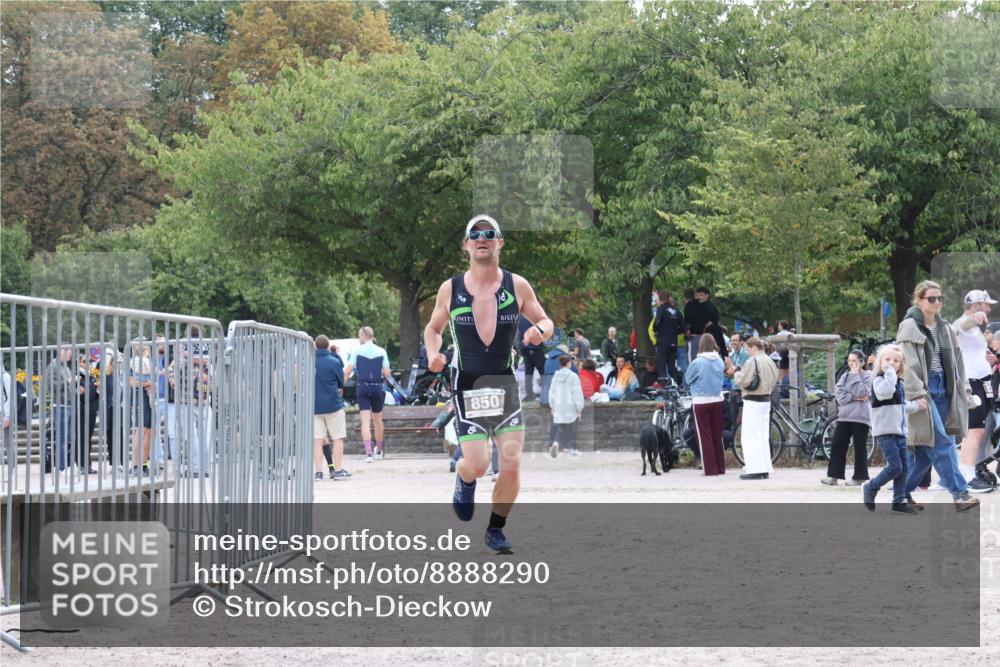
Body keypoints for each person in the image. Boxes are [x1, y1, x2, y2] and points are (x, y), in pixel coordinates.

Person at [424, 214, 554, 554]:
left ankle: (496, 529)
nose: (482, 238)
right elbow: (432, 328)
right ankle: (464, 478)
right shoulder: (450, 288)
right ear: (466, 245)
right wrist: (433, 354)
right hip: (467, 384)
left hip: (503, 383)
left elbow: (546, 319)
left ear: (500, 243)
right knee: (479, 464)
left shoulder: (517, 286)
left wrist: (539, 331)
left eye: (489, 233)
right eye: (475, 234)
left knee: (511, 460)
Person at [896, 280, 979, 512]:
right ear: (919, 300)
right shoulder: (909, 326)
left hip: (946, 389)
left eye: (940, 298)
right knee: (942, 442)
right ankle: (960, 494)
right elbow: (908, 364)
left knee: (926, 449)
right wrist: (916, 393)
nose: (937, 302)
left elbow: (957, 362)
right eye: (932, 298)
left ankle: (899, 494)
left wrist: (965, 388)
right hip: (924, 389)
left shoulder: (945, 328)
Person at [862, 345, 926, 514]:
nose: (892, 363)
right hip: (885, 432)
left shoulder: (898, 383)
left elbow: (901, 407)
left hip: (899, 432)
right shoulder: (878, 381)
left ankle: (899, 501)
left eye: (896, 361)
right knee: (895, 467)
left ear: (901, 365)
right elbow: (885, 393)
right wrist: (890, 372)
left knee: (904, 470)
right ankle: (871, 486)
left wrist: (916, 406)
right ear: (880, 362)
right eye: (888, 360)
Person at [954, 290, 997, 493]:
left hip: (982, 381)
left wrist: (990, 360)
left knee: (973, 432)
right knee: (975, 431)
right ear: (976, 304)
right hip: (971, 384)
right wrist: (974, 318)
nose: (988, 308)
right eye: (985, 305)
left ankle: (965, 473)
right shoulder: (962, 324)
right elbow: (961, 326)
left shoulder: (976, 331)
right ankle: (968, 478)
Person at [821, 350, 872, 486]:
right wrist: (856, 397)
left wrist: (856, 376)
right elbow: (840, 397)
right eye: (849, 361)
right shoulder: (844, 376)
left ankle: (860, 477)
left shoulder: (868, 376)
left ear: (862, 361)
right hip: (844, 416)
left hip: (861, 417)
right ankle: (833, 476)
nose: (851, 364)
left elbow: (865, 392)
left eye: (854, 361)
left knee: (860, 446)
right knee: (837, 443)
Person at [733, 336, 780, 480]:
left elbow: (743, 379)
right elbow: (775, 378)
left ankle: (754, 469)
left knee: (749, 436)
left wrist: (735, 372)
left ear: (754, 347)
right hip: (766, 399)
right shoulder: (769, 360)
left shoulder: (753, 360)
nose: (747, 351)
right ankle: (764, 468)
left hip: (753, 400)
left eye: (748, 348)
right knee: (762, 436)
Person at [170, 327, 213, 479]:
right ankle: (206, 467)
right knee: (205, 435)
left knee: (191, 435)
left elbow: (174, 371)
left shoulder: (183, 347)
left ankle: (195, 467)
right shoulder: (207, 347)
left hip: (186, 398)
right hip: (205, 397)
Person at [344, 326, 392, 463]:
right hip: (377, 387)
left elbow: (348, 370)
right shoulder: (381, 351)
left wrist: (341, 384)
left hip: (362, 387)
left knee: (365, 422)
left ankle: (369, 454)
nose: (359, 338)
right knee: (378, 421)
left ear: (364, 336)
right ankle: (379, 451)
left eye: (359, 336)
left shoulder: (357, 350)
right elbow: (387, 373)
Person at [684, 336, 727, 475]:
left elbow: (688, 378)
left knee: (704, 436)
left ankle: (710, 469)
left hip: (701, 400)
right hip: (717, 399)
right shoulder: (720, 360)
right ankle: (721, 467)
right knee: (717, 435)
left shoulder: (698, 362)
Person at [313, 335, 347, 481]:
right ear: (327, 346)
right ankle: (338, 470)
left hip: (314, 406)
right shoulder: (334, 362)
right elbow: (341, 383)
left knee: (317, 440)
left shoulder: (308, 362)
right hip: (333, 405)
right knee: (338, 438)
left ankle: (319, 473)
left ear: (315, 346)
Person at [43, 344, 79, 472]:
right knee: (62, 438)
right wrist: (68, 382)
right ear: (62, 352)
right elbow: (50, 387)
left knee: (69, 437)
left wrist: (75, 390)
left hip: (68, 406)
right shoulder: (52, 367)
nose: (71, 354)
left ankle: (68, 465)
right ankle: (62, 467)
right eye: (70, 351)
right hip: (60, 406)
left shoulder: (66, 368)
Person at [549, 354, 585, 458]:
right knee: (572, 427)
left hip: (559, 404)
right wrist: (579, 407)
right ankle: (572, 449)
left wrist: (552, 405)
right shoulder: (573, 376)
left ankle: (556, 442)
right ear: (569, 363)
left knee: (561, 426)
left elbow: (552, 391)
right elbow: (577, 392)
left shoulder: (555, 376)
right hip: (571, 404)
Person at [652, 290, 684, 385]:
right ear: (669, 298)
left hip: (663, 342)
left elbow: (656, 323)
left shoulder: (661, 309)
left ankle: (665, 386)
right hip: (674, 342)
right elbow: (682, 328)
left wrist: (657, 330)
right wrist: (674, 332)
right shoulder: (677, 311)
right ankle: (675, 385)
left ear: (660, 298)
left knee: (661, 366)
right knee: (671, 366)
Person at [76, 350, 99, 474]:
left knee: (88, 438)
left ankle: (87, 465)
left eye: (90, 361)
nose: (88, 364)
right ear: (79, 363)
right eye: (85, 361)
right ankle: (81, 465)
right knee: (82, 438)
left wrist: (98, 390)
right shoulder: (77, 376)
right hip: (81, 411)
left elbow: (95, 396)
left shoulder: (91, 377)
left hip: (91, 411)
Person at [683, 287, 720, 364]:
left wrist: (705, 328)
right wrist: (687, 329)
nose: (699, 297)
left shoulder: (712, 308)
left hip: (705, 337)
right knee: (692, 359)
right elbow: (686, 319)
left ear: (707, 295)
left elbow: (714, 320)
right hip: (693, 336)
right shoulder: (690, 305)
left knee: (705, 358)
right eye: (698, 295)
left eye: (701, 295)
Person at [516, 314, 545, 401]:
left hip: (524, 346)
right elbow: (542, 330)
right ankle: (546, 393)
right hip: (535, 347)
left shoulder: (519, 317)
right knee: (543, 371)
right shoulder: (535, 316)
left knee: (528, 372)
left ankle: (529, 395)